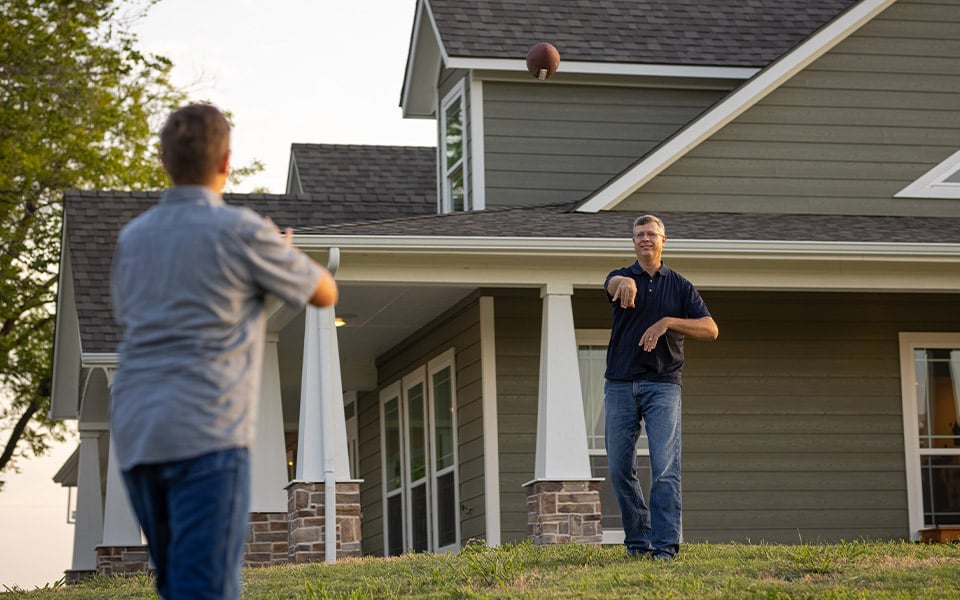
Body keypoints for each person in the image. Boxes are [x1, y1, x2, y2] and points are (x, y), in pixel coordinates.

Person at [110, 103, 338, 599]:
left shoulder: (132, 239)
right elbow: (323, 292)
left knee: (176, 584)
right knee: (208, 589)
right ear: (225, 161)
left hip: (138, 433)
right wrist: (282, 250)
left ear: (164, 161)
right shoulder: (242, 232)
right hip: (206, 433)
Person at [603, 214, 718, 561]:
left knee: (665, 467)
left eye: (651, 234)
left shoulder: (680, 286)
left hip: (663, 385)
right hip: (620, 384)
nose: (645, 239)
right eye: (639, 235)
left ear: (663, 240)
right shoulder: (620, 277)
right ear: (633, 241)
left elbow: (710, 329)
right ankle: (638, 542)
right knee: (619, 469)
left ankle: (665, 547)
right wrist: (624, 283)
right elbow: (612, 285)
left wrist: (668, 321)